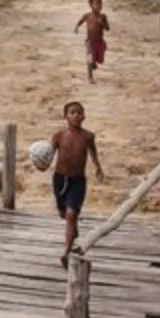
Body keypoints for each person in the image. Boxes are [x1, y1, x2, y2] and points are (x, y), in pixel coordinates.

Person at [47, 100, 102, 265]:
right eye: (72, 112)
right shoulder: (59, 136)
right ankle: (73, 231)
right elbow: (48, 155)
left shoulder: (87, 136)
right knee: (65, 214)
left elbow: (93, 152)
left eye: (79, 112)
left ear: (83, 116)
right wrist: (42, 163)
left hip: (77, 180)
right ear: (65, 116)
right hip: (60, 179)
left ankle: (66, 252)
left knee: (71, 214)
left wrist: (98, 168)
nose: (76, 115)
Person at [75, 0, 110, 82]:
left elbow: (107, 28)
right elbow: (80, 21)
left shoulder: (103, 16)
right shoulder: (87, 15)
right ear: (91, 5)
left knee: (100, 60)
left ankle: (94, 62)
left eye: (100, 4)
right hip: (90, 42)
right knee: (89, 59)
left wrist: (102, 23)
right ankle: (90, 77)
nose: (99, 6)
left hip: (99, 42)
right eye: (96, 4)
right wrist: (76, 27)